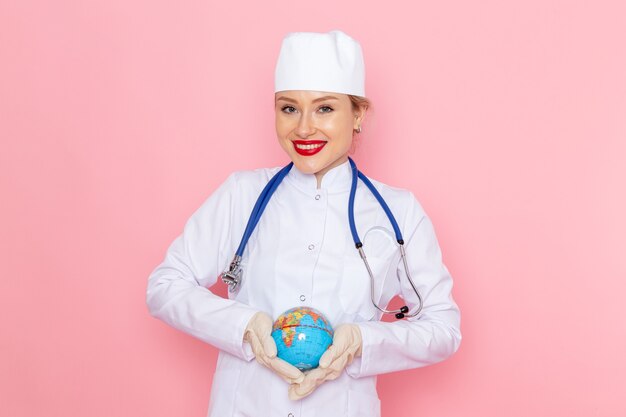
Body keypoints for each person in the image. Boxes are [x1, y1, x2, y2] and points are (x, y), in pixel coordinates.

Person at [146, 30, 461, 417]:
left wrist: (362, 341)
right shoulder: (242, 194)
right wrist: (244, 325)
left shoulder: (398, 212)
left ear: (358, 114)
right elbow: (164, 286)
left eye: (325, 109)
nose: (304, 129)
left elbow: (443, 328)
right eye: (289, 108)